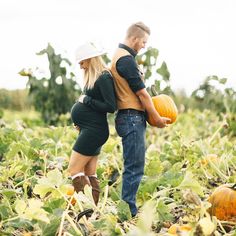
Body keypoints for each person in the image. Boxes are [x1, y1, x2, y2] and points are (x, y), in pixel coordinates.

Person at [110, 22, 170, 217]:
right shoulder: (126, 60)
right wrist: (156, 118)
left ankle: (128, 209)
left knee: (133, 165)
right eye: (143, 41)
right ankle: (128, 212)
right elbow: (143, 95)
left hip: (129, 118)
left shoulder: (121, 56)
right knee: (134, 167)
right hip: (131, 118)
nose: (144, 45)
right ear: (134, 38)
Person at [68, 42, 117, 207]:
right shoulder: (95, 77)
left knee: (74, 170)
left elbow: (111, 106)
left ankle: (85, 208)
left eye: (82, 62)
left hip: (94, 131)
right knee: (89, 172)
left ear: (90, 59)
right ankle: (93, 211)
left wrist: (86, 100)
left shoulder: (104, 77)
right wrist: (81, 121)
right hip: (90, 129)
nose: (81, 67)